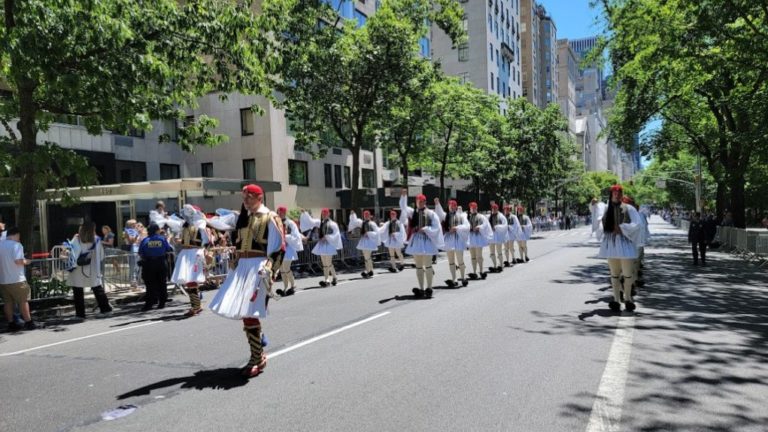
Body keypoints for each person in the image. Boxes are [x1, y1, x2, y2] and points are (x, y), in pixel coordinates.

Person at [208, 184, 285, 378]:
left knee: (250, 312)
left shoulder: (270, 217)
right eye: (244, 197)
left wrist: (271, 269)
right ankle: (258, 346)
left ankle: (257, 358)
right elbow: (219, 224)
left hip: (258, 268)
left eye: (250, 197)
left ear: (259, 197)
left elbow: (278, 248)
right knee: (245, 312)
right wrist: (200, 219)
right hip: (242, 268)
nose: (246, 201)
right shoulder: (242, 218)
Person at [598, 185, 644, 313]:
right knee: (614, 274)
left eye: (619, 193)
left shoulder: (629, 208)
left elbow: (637, 224)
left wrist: (623, 228)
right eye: (614, 193)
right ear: (611, 194)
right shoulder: (607, 209)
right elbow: (600, 223)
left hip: (625, 244)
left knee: (628, 274)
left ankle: (628, 298)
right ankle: (616, 300)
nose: (616, 195)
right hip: (611, 245)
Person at [400, 189, 443, 298]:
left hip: (427, 241)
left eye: (421, 201)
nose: (419, 203)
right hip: (416, 241)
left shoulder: (431, 213)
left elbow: (437, 227)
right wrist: (404, 196)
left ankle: (429, 288)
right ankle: (421, 288)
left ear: (425, 202)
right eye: (418, 201)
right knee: (418, 266)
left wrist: (426, 229)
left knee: (428, 265)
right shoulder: (412, 212)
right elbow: (403, 207)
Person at [67, 222, 112, 319]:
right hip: (93, 269)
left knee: (78, 291)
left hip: (78, 269)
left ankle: (80, 314)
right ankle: (106, 309)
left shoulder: (77, 239)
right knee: (97, 288)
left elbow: (71, 252)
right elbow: (101, 256)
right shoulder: (96, 239)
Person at [170, 205, 209, 317]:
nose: (186, 215)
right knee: (189, 281)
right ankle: (196, 305)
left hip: (194, 253)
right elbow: (180, 240)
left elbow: (206, 240)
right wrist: (177, 240)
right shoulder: (185, 226)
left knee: (191, 280)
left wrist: (203, 251)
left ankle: (196, 306)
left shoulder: (200, 224)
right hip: (185, 253)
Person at [0, 227, 36, 331]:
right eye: (19, 236)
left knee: (7, 302)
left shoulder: (1, 245)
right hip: (16, 279)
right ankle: (29, 322)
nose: (19, 238)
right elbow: (18, 261)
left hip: (3, 280)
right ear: (16, 234)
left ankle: (11, 323)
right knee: (23, 301)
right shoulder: (16, 245)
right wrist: (27, 261)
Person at [301, 208, 342, 287]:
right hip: (322, 245)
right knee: (325, 264)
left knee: (328, 263)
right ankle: (330, 278)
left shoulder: (333, 224)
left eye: (325, 214)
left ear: (328, 214)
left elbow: (336, 234)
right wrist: (305, 213)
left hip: (329, 245)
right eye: (323, 214)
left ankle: (330, 279)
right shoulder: (320, 222)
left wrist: (327, 237)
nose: (323, 215)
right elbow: (311, 221)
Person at [434, 198, 470, 287]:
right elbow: (439, 213)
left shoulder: (461, 216)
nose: (452, 207)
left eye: (453, 206)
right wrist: (437, 204)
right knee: (451, 261)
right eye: (450, 206)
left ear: (456, 207)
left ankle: (463, 277)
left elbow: (467, 226)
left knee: (460, 259)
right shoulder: (446, 216)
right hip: (449, 240)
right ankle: (454, 279)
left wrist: (457, 228)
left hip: (458, 239)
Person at [138, 223, 174, 311]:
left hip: (149, 264)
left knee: (150, 284)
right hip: (161, 263)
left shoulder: (145, 240)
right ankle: (162, 302)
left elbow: (140, 252)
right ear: (157, 230)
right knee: (162, 283)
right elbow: (169, 249)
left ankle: (149, 304)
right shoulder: (162, 239)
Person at [275, 206, 304, 297]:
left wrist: (285, 237)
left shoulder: (290, 223)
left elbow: (295, 236)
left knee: (286, 268)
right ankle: (285, 287)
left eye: (280, 212)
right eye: (278, 212)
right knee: (282, 269)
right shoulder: (276, 222)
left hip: (288, 249)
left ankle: (293, 285)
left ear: (284, 213)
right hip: (280, 248)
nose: (279, 214)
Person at [348, 210, 380, 279]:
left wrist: (368, 233)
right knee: (366, 257)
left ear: (370, 216)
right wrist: (353, 214)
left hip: (370, 242)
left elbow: (377, 233)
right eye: (365, 215)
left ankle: (368, 271)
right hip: (363, 242)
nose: (366, 216)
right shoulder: (361, 223)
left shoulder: (372, 224)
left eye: (367, 215)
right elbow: (354, 221)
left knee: (367, 257)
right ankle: (370, 270)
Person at [466, 202, 491, 280]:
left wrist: (479, 227)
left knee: (479, 256)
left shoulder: (481, 216)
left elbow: (485, 225)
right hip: (471, 238)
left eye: (474, 208)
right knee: (473, 257)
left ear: (476, 208)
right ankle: (474, 272)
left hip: (478, 238)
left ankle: (481, 271)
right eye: (471, 208)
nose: (472, 209)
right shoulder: (468, 217)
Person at [487, 203, 508, 273]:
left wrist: (497, 227)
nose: (493, 210)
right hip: (491, 236)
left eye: (495, 209)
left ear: (497, 209)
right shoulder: (489, 217)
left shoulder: (501, 216)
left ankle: (501, 265)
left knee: (499, 251)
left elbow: (505, 226)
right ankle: (495, 265)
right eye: (492, 209)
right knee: (492, 252)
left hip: (498, 236)